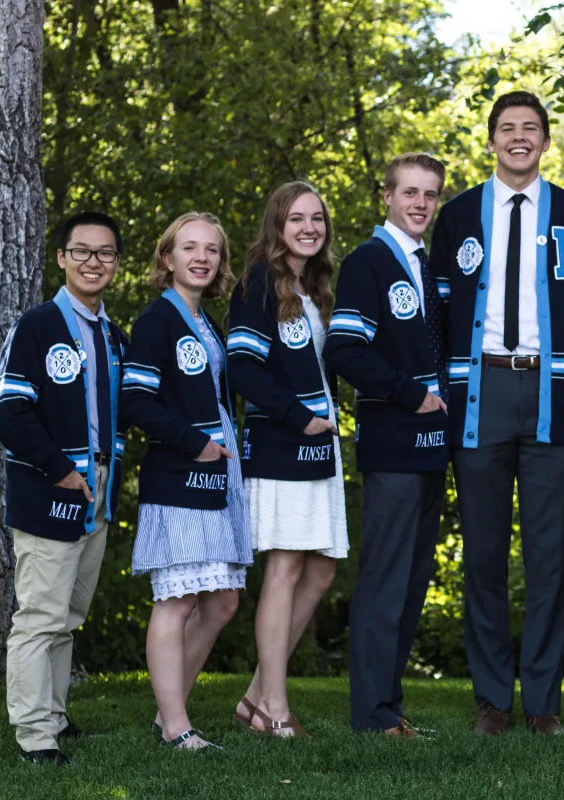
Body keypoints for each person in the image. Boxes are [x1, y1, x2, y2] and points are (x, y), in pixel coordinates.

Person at [428, 90, 564, 735]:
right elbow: (437, 310)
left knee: (548, 555)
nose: (519, 137)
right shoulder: (460, 214)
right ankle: (493, 699)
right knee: (485, 554)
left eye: (531, 129)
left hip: (553, 393)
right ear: (491, 140)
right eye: (507, 128)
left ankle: (545, 703)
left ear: (546, 142)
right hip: (481, 393)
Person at [0, 212, 129, 765]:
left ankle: (54, 717)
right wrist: (59, 469)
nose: (94, 262)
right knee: (40, 616)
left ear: (116, 264)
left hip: (98, 486)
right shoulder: (38, 325)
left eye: (105, 253)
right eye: (83, 251)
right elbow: (9, 410)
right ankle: (34, 736)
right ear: (62, 258)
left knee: (69, 616)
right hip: (52, 484)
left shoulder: (112, 335)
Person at [324, 153, 450, 737]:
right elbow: (345, 349)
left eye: (429, 194)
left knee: (413, 579)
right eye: (410, 193)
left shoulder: (427, 265)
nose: (420, 203)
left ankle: (389, 708)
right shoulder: (369, 262)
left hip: (432, 448)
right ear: (387, 197)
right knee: (383, 580)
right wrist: (410, 394)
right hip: (395, 442)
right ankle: (370, 714)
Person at [121, 212, 251, 750]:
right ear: (167, 257)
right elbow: (134, 401)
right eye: (189, 247)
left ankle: (165, 712)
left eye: (212, 250)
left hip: (218, 476)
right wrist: (195, 443)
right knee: (175, 602)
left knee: (221, 603)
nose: (201, 257)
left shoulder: (205, 321)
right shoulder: (158, 320)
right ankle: (177, 728)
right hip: (180, 474)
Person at [228, 182, 345, 738]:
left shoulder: (314, 284)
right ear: (277, 224)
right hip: (282, 444)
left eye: (316, 218)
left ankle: (253, 696)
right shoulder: (256, 283)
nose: (308, 227)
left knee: (320, 569)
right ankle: (274, 708)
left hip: (321, 444)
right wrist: (300, 417)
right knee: (285, 568)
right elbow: (244, 371)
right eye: (296, 218)